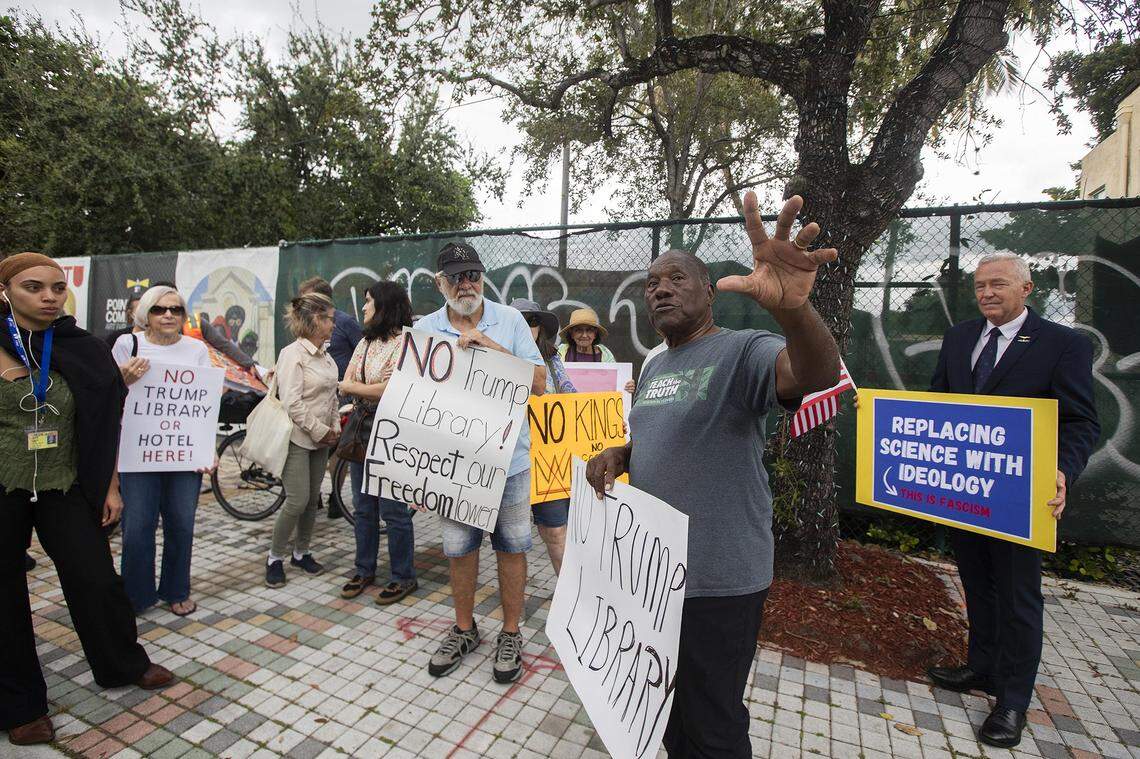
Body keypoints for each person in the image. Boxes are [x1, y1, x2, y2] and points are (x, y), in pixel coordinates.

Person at [586, 192, 841, 758]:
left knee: (714, 722)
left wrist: (793, 309)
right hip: (655, 577)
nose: (660, 289)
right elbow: (665, 435)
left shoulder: (742, 351)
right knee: (667, 710)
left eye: (676, 278)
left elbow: (814, 374)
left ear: (708, 292)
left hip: (718, 580)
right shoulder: (656, 365)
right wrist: (624, 455)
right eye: (652, 283)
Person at [925, 252, 1099, 748]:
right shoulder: (960, 338)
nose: (986, 294)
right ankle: (981, 668)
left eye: (998, 284)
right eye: (980, 286)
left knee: (1020, 598)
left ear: (1026, 289)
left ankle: (1013, 701)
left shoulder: (1063, 344)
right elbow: (938, 404)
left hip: (1022, 498)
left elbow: (1082, 421)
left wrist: (1062, 470)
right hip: (963, 492)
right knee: (976, 584)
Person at [0, 253, 173, 747]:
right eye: (34, 287)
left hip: (65, 483)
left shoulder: (81, 346)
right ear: (5, 290)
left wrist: (111, 486)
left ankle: (121, 665)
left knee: (96, 579)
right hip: (3, 486)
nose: (49, 296)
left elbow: (105, 421)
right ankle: (19, 704)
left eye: (57, 287)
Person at [418, 242, 546, 684]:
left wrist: (490, 346)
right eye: (456, 277)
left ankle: (511, 633)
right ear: (441, 283)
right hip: (453, 466)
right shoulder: (426, 329)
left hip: (509, 462)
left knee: (512, 547)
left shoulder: (509, 322)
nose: (466, 283)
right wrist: (418, 472)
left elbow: (541, 384)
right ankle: (464, 629)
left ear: (483, 276)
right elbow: (414, 403)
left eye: (472, 274)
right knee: (458, 550)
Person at [111, 285, 214, 616]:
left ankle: (176, 589)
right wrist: (120, 379)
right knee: (138, 527)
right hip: (137, 453)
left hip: (184, 453)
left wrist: (206, 449)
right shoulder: (128, 344)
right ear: (146, 315)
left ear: (184, 316)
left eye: (176, 310)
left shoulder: (196, 349)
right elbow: (105, 396)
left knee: (181, 523)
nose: (168, 315)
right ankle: (137, 595)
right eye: (159, 309)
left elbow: (203, 405)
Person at [337, 281, 418, 604]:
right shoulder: (365, 343)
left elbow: (390, 388)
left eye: (369, 302)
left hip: (392, 433)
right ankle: (364, 569)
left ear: (385, 306)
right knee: (363, 506)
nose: (365, 308)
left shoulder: (406, 344)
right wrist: (361, 387)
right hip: (363, 429)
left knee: (394, 509)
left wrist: (357, 387)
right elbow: (352, 380)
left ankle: (403, 576)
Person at [265, 293, 341, 588]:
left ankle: (301, 552)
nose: (335, 324)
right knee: (296, 500)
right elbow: (292, 403)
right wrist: (320, 430)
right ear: (315, 320)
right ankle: (274, 557)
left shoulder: (326, 355)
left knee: (311, 500)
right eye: (330, 319)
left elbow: (332, 395)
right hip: (298, 438)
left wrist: (332, 426)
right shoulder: (292, 355)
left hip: (320, 439)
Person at [510, 298, 576, 575]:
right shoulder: (496, 358)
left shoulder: (551, 359)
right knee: (519, 537)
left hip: (551, 459)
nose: (527, 327)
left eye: (532, 321)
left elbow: (571, 394)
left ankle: (571, 592)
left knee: (557, 530)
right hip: (516, 460)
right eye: (520, 321)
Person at [558, 307, 637, 393]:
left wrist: (626, 385)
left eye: (589, 331)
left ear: (595, 334)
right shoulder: (561, 352)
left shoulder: (605, 355)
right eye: (578, 330)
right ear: (572, 334)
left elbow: (615, 384)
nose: (584, 335)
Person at [298, 277, 362, 380]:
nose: (303, 306)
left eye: (308, 300)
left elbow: (364, 355)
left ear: (323, 299)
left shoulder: (346, 322)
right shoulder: (305, 325)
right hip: (314, 387)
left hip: (341, 390)